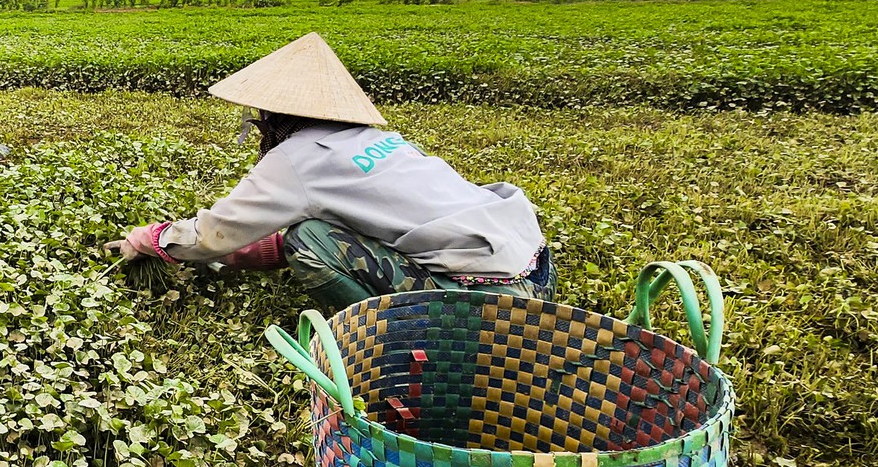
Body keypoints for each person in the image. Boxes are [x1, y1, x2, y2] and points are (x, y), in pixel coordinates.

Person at [107, 32, 553, 310]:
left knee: (307, 239)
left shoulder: (300, 157)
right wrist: (246, 254)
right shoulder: (372, 140)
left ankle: (393, 337)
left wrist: (150, 238)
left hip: (488, 304)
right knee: (310, 231)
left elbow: (209, 234)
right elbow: (353, 223)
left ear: (278, 113)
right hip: (537, 275)